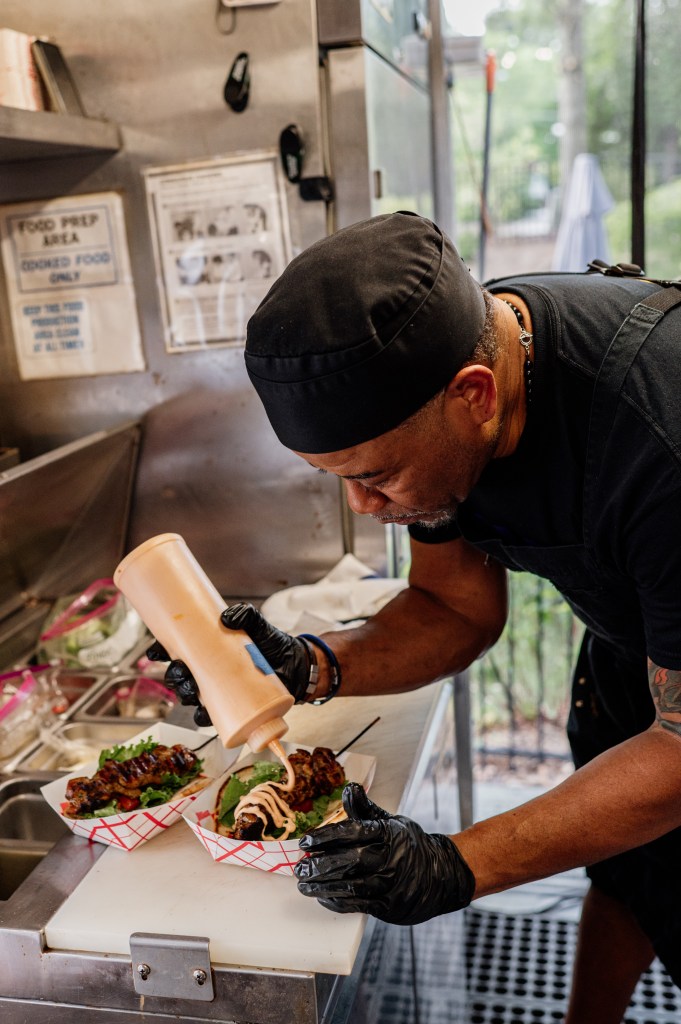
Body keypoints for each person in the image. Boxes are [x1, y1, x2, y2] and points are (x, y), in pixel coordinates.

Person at [148, 211, 681, 1024]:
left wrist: (453, 863)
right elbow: (451, 607)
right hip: (631, 658)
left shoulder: (658, 440)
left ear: (476, 395)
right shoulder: (442, 385)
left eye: (377, 477)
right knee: (630, 877)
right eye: (337, 480)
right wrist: (310, 663)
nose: (364, 508)